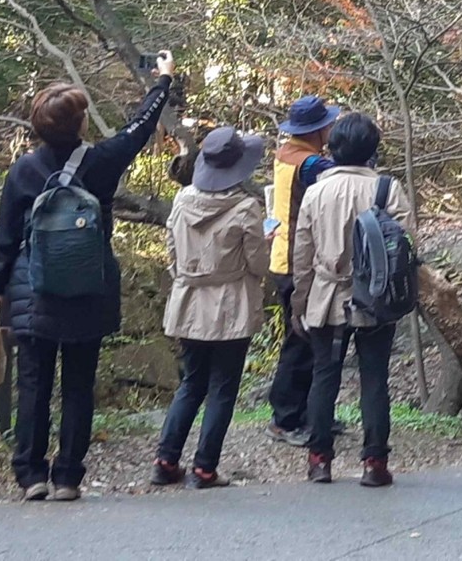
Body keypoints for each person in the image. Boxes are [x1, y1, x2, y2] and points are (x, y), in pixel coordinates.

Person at [0, 51, 176, 501]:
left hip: (34, 289)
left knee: (32, 384)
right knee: (78, 384)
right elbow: (140, 127)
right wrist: (162, 81)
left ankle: (31, 475)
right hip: (91, 288)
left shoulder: (23, 170)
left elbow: (7, 237)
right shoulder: (102, 161)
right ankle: (68, 476)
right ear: (80, 124)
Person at [292, 113, 413, 487]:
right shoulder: (387, 189)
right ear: (372, 150)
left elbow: (302, 254)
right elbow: (407, 247)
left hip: (326, 296)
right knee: (375, 379)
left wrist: (299, 303)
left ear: (332, 149)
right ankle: (374, 463)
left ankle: (319, 460)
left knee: (324, 378)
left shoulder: (315, 192)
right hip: (375, 299)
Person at [152, 126, 269, 489]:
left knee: (191, 382)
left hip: (189, 302)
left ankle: (165, 460)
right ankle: (205, 468)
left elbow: (173, 254)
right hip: (231, 305)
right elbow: (259, 265)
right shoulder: (246, 207)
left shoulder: (182, 201)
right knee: (222, 386)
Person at [265, 95, 341, 446]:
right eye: (327, 124)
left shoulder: (286, 153)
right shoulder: (309, 163)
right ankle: (284, 418)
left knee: (307, 340)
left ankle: (310, 412)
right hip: (298, 261)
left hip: (284, 255)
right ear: (317, 129)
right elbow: (336, 178)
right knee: (300, 341)